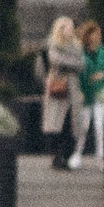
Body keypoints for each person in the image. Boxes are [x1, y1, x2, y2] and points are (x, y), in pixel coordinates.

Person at [38, 13, 84, 167]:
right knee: (56, 123)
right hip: (58, 87)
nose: (72, 30)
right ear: (61, 29)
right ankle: (56, 156)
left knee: (71, 124)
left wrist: (69, 63)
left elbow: (82, 64)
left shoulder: (77, 45)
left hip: (73, 89)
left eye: (72, 27)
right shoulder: (54, 43)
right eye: (68, 27)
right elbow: (55, 60)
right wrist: (72, 63)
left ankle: (66, 155)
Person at [74, 15, 104, 162]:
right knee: (83, 127)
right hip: (85, 94)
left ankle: (101, 155)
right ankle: (77, 152)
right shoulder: (81, 53)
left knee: (99, 126)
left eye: (99, 34)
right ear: (88, 35)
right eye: (95, 34)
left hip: (100, 93)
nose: (97, 36)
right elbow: (78, 74)